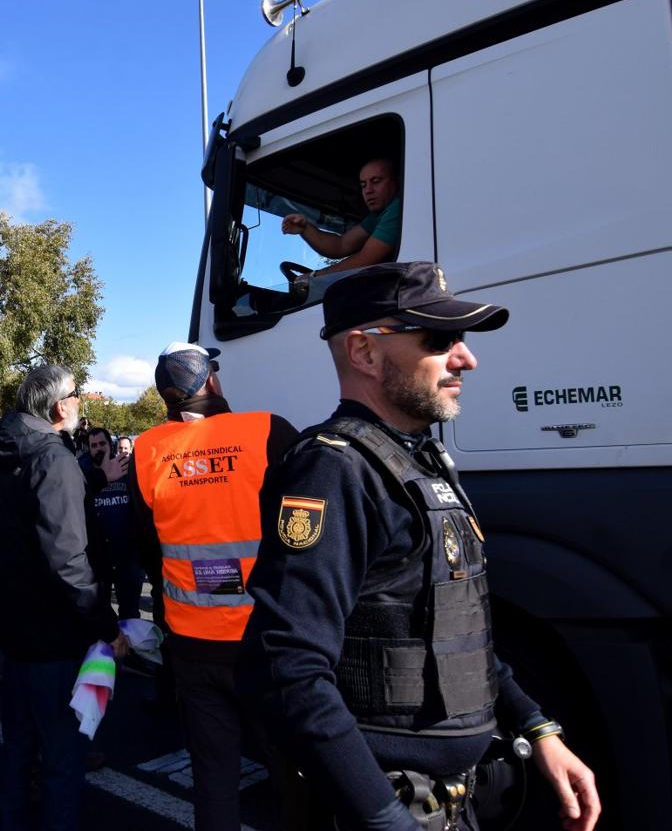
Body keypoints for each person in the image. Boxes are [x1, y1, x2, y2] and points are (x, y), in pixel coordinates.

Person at [241, 262, 601, 830]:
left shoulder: (422, 460)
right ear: (364, 352)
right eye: (439, 339)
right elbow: (286, 668)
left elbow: (459, 633)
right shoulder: (332, 470)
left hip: (455, 801)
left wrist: (538, 728)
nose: (466, 357)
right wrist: (383, 817)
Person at [130, 342, 298, 831]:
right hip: (266, 637)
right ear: (210, 382)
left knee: (214, 775)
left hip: (193, 644)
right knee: (291, 766)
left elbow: (148, 548)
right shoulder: (267, 430)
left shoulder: (147, 449)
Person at [0, 364, 127, 831]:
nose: (80, 401)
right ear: (59, 405)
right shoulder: (53, 457)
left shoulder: (10, 451)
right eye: (77, 393)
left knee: (18, 753)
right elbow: (67, 557)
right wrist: (106, 625)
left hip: (16, 631)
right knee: (63, 763)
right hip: (52, 635)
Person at [281, 157, 401, 274]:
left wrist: (314, 278)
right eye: (363, 185)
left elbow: (365, 260)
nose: (368, 190)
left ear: (397, 181)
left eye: (376, 181)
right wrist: (305, 229)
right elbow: (341, 245)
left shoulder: (398, 207)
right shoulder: (377, 215)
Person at [85, 427, 144, 620]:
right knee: (100, 612)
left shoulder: (127, 469)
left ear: (110, 446)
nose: (98, 449)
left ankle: (132, 648)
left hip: (128, 554)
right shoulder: (82, 472)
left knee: (130, 612)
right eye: (93, 445)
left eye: (102, 444)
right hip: (98, 556)